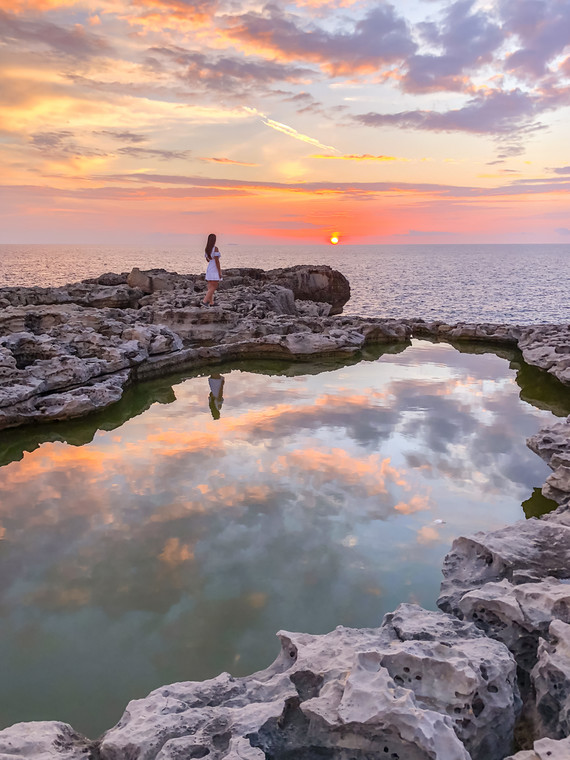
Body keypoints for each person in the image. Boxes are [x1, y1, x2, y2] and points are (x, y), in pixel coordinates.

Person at [202, 233, 222, 306]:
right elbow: (217, 261)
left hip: (209, 268)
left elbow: (207, 260)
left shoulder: (207, 249)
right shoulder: (215, 248)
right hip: (214, 268)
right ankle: (204, 301)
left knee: (210, 286)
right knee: (214, 287)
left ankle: (211, 302)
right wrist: (219, 271)